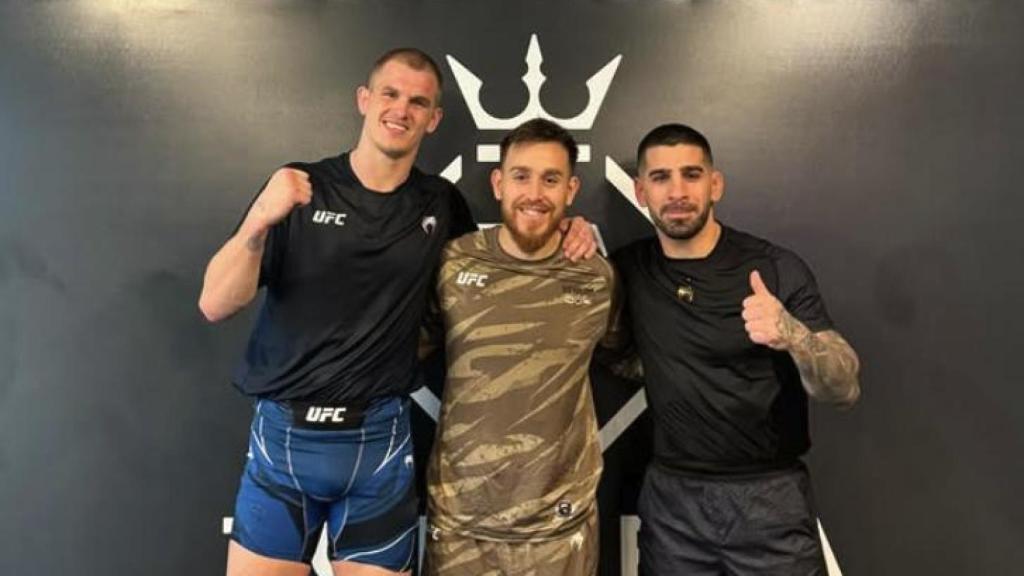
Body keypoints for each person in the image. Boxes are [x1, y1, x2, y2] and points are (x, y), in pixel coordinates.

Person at [198, 49, 595, 576]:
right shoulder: (299, 188)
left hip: (378, 445)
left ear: (433, 119)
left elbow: (501, 262)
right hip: (285, 442)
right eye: (390, 94)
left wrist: (566, 226)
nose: (401, 110)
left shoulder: (440, 204)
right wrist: (258, 223)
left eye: (418, 102)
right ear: (365, 99)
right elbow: (214, 303)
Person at [613, 123, 861, 575]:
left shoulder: (773, 267)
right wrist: (570, 230)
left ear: (716, 184)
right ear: (641, 191)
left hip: (770, 499)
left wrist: (792, 334)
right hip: (674, 504)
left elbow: (844, 388)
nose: (677, 192)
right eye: (661, 177)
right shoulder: (628, 269)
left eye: (691, 174)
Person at [421, 118, 622, 576]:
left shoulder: (596, 277)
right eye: (521, 176)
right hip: (461, 526)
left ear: (571, 189)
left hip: (558, 528)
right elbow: (402, 346)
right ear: (498, 183)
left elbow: (631, 355)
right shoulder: (453, 262)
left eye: (551, 179)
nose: (534, 193)